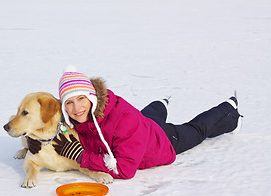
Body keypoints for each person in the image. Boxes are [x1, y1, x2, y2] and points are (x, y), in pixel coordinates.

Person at [28, 66, 242, 180]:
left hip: (162, 141)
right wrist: (33, 142)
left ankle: (229, 111)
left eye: (81, 99)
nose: (76, 109)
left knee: (196, 129)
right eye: (70, 103)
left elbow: (125, 169)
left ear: (92, 97)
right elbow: (52, 129)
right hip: (142, 125)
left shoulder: (124, 122)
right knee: (146, 117)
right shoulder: (76, 117)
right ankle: (162, 103)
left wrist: (82, 157)